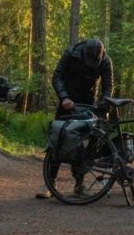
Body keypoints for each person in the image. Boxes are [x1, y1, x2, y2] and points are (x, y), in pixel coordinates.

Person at [36, 38, 114, 199]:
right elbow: (57, 76)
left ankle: (79, 184)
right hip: (68, 102)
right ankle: (50, 182)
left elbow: (108, 86)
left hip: (88, 103)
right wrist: (64, 97)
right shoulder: (71, 54)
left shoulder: (105, 61)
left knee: (87, 145)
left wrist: (104, 105)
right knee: (58, 139)